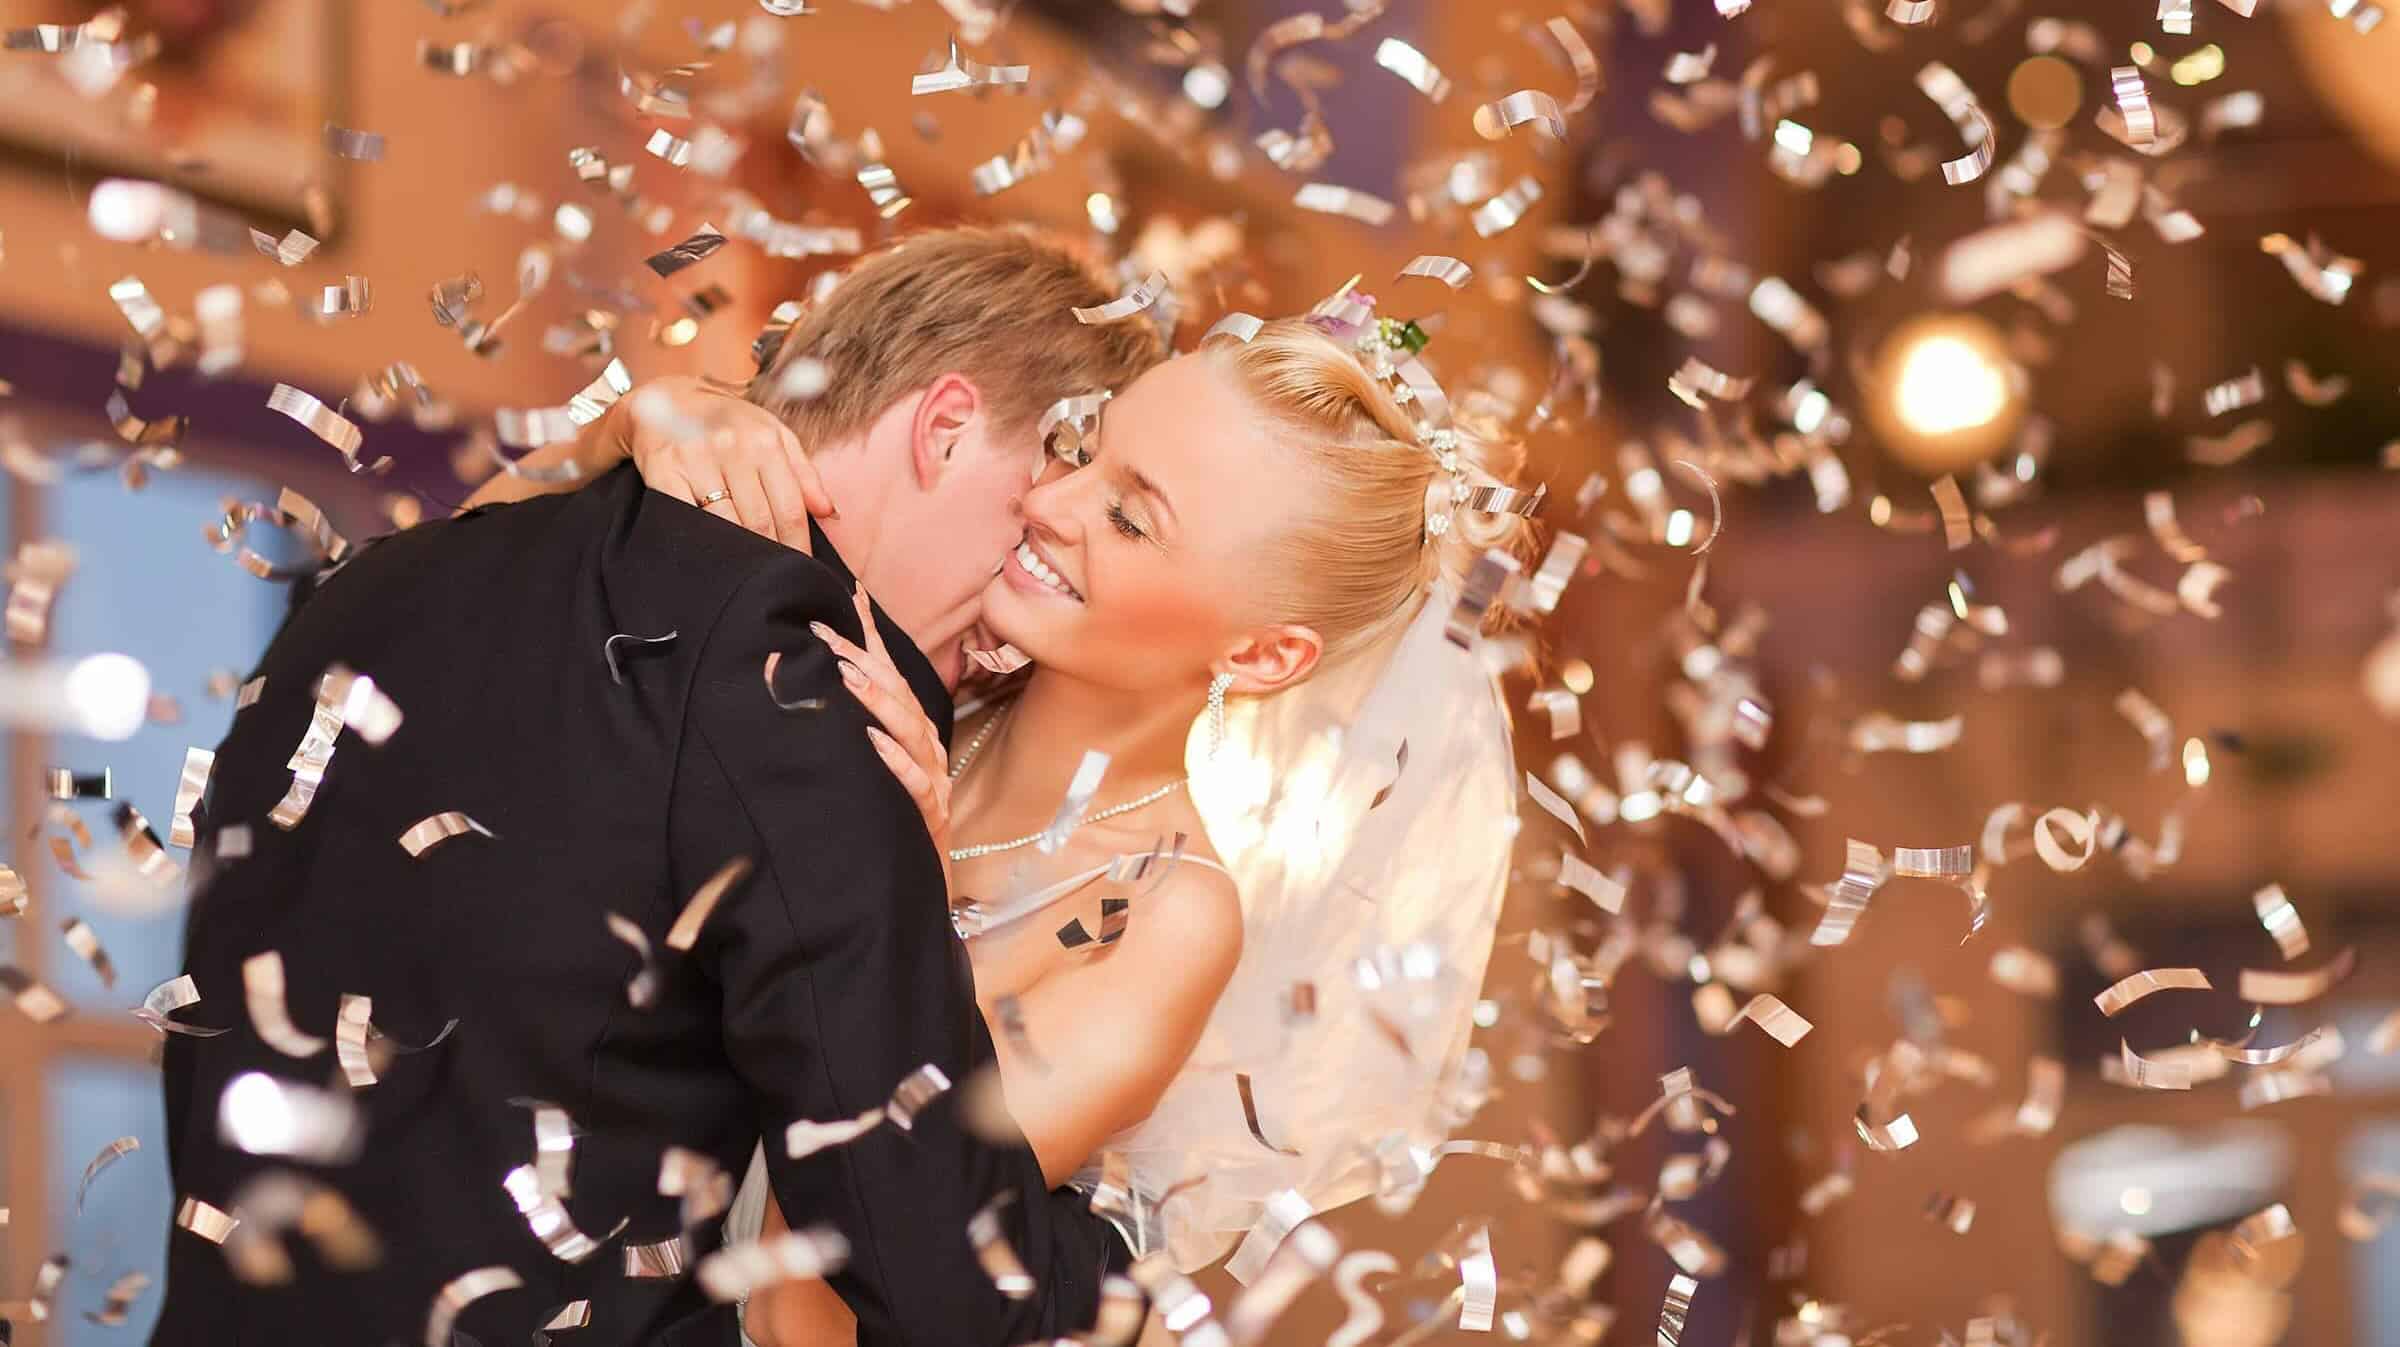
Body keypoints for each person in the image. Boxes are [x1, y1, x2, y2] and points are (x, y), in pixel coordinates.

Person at [151, 226, 1162, 1347]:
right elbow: (938, 1267)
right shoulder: (795, 677)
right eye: (1040, 519)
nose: (1028, 592)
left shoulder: (383, 578)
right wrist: (1133, 1265)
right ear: (947, 428)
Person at [513, 296, 1540, 1346]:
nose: (1051, 503)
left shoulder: (1163, 917)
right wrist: (635, 424)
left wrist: (881, 891)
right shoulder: (926, 679)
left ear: (1261, 656)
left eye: (1132, 518)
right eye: (1082, 448)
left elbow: (813, 1291)